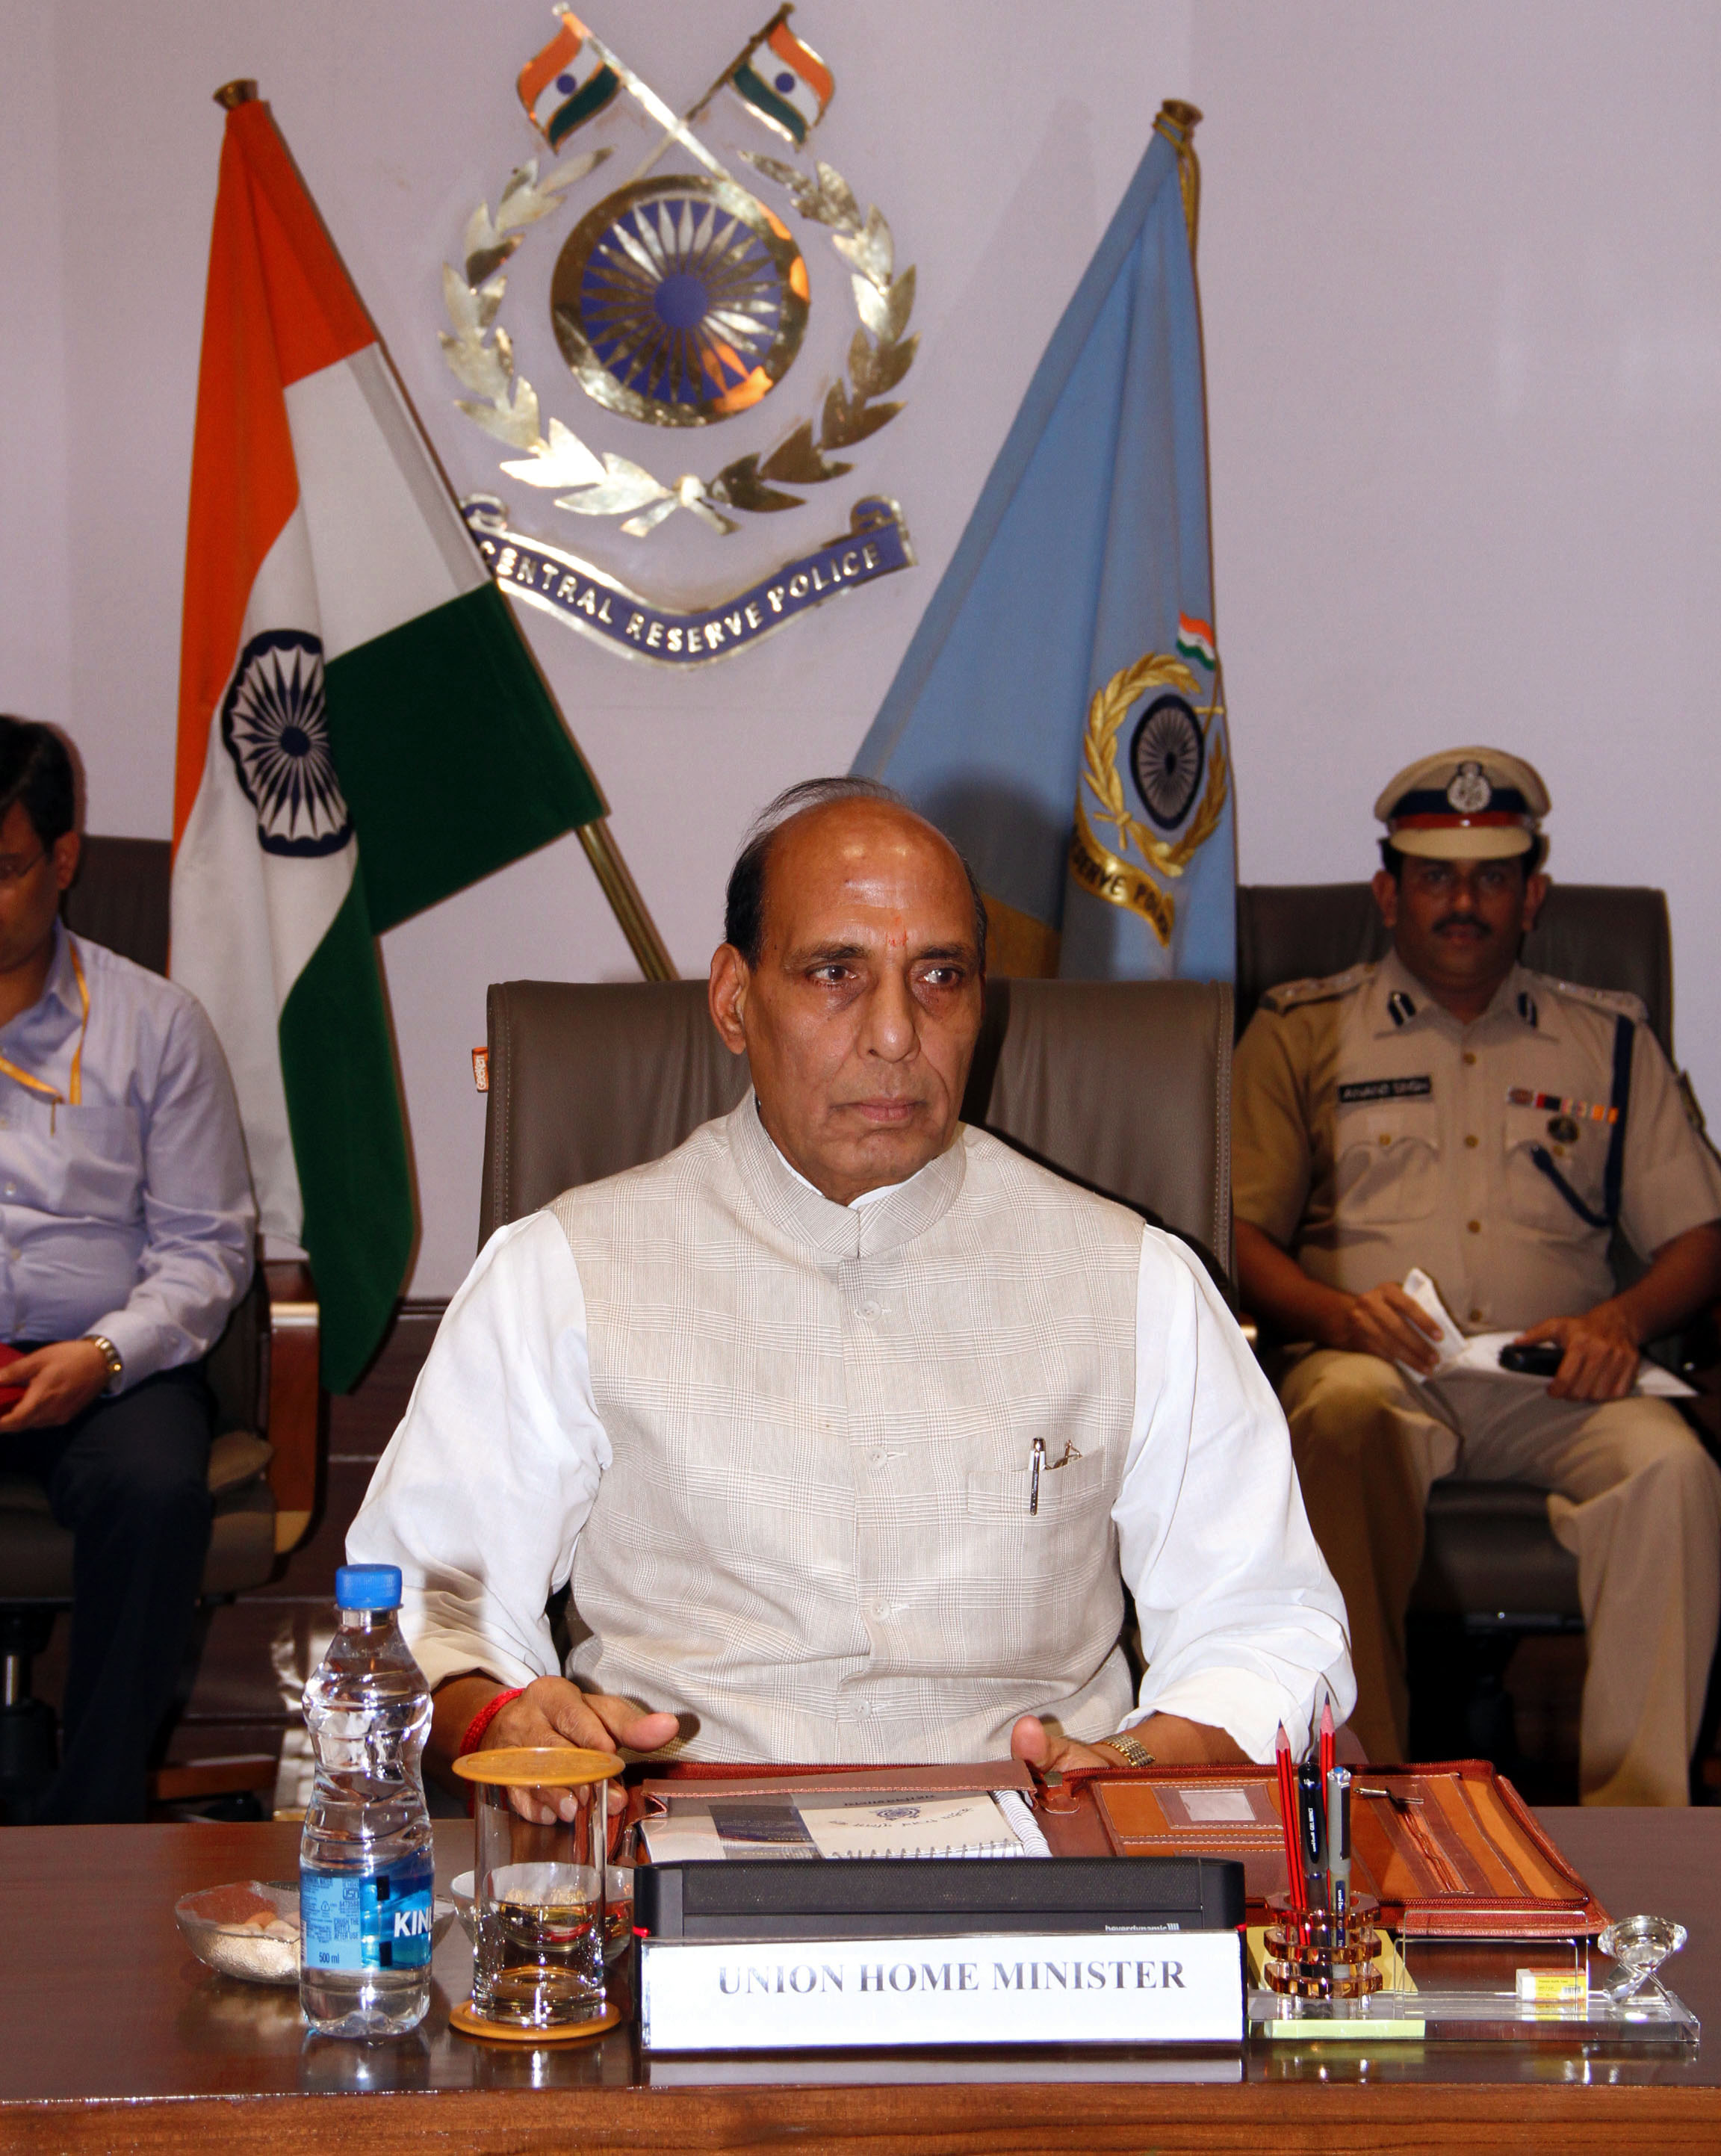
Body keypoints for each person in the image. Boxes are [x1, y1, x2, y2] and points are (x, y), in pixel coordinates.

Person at [353, 777, 1352, 1788]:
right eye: (836, 971)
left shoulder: (1133, 1282)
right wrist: (510, 1719)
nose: (893, 1034)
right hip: (680, 1863)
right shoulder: (565, 1272)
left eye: (940, 976)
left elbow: (1267, 1624)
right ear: (735, 1000)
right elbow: (423, 1596)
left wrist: (1129, 1762)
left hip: (1040, 1876)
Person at [1232, 746, 1721, 1805]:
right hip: (1376, 1368)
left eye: (1493, 876)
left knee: (1674, 1470)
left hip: (1559, 1379)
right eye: (1434, 875)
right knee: (1337, 1422)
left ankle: (1640, 1834)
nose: (1464, 900)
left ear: (1533, 893)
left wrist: (1622, 1322)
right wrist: (1335, 1316)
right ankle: (1370, 1819)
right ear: (1387, 891)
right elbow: (1238, 1234)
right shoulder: (1297, 1031)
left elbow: (1698, 1234)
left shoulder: (1608, 1039)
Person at [0, 719, 255, 1822]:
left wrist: (104, 1354)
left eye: (3, 869)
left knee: (155, 1492)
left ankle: (87, 1819)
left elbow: (207, 1247)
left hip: (103, 1360)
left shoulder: (156, 1025)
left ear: (63, 861)